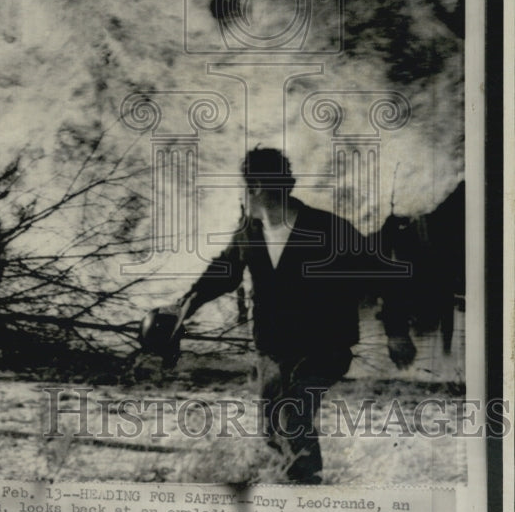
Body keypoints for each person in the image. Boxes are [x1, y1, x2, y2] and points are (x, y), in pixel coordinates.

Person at [140, 147, 416, 484]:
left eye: (248, 186)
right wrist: (186, 305)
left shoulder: (329, 230)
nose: (245, 194)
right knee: (272, 431)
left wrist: (397, 332)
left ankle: (307, 497)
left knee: (293, 419)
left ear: (259, 187)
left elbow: (383, 275)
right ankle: (285, 492)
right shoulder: (249, 232)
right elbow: (223, 273)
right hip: (271, 350)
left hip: (323, 349)